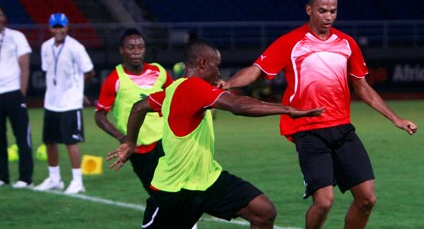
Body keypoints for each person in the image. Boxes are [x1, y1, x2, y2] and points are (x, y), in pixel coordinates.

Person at [219, 1, 418, 229]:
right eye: (323, 11)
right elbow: (256, 70)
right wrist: (230, 83)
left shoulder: (346, 43)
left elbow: (363, 88)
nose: (328, 17)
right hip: (308, 130)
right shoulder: (291, 41)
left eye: (333, 11)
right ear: (309, 10)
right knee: (324, 202)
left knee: (367, 199)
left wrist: (396, 119)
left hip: (342, 128)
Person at [107, 39, 324, 229]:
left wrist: (129, 143)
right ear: (202, 63)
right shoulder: (193, 87)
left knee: (263, 212)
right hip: (177, 190)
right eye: (216, 66)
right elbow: (238, 105)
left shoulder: (174, 90)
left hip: (208, 180)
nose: (219, 73)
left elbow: (139, 107)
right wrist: (287, 109)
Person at [94, 28, 176, 228]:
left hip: (165, 142)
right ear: (121, 50)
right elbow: (99, 115)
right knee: (159, 196)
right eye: (131, 47)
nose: (137, 51)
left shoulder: (159, 72)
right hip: (138, 149)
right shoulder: (115, 79)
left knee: (172, 191)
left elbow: (176, 97)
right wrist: (122, 137)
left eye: (140, 46)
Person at [34, 13, 95, 194]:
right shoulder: (46, 47)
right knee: (49, 142)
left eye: (61, 26)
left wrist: (79, 90)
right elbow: (48, 71)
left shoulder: (76, 47)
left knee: (70, 142)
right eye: (55, 27)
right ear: (50, 28)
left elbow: (89, 71)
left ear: (67, 27)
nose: (58, 30)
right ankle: (55, 179)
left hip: (70, 102)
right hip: (51, 102)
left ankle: (77, 182)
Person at [0, 3, 34, 188]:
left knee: (21, 137)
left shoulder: (16, 36)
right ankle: (1, 176)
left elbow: (25, 66)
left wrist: (22, 93)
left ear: (4, 17)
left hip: (13, 92)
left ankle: (25, 178)